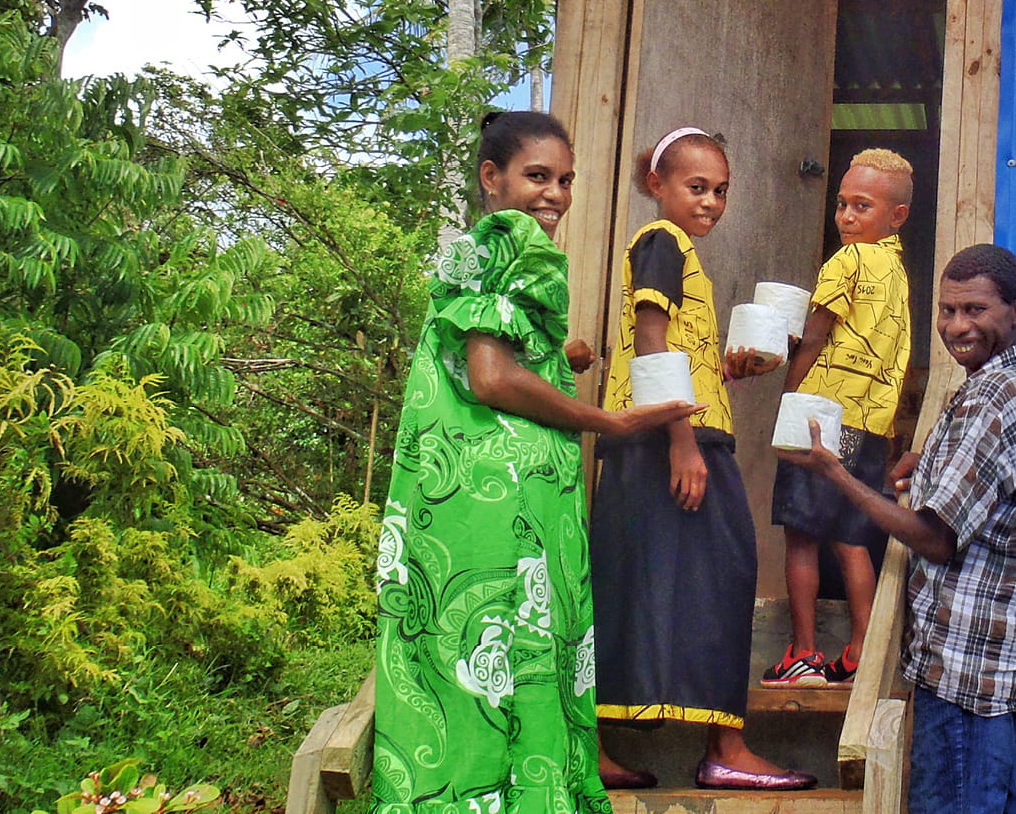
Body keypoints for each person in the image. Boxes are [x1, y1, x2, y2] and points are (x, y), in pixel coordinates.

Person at [371, 111, 703, 814]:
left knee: (457, 658)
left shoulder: (470, 248)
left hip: (453, 494)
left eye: (565, 179)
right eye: (537, 176)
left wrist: (561, 360)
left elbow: (475, 358)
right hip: (511, 503)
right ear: (491, 178)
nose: (554, 194)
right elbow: (492, 376)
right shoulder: (518, 242)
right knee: (517, 654)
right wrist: (603, 418)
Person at [775, 243, 1016, 814]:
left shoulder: (1000, 401)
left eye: (976, 310)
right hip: (980, 674)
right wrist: (924, 463)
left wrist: (836, 473)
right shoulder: (987, 391)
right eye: (948, 310)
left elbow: (936, 536)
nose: (958, 326)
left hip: (966, 674)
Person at [591, 126, 816, 791]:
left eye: (721, 190)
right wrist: (683, 439)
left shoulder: (679, 252)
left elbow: (675, 347)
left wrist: (727, 369)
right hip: (669, 439)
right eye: (697, 186)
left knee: (641, 580)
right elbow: (651, 339)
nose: (712, 200)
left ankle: (613, 742)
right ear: (657, 186)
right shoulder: (662, 241)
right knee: (722, 570)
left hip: (666, 433)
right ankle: (725, 747)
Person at [761, 148, 914, 689]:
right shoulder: (897, 274)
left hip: (820, 415)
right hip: (869, 426)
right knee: (852, 537)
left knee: (803, 535)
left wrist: (789, 396)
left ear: (896, 216)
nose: (847, 217)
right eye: (842, 204)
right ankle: (860, 652)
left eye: (862, 206)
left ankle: (803, 653)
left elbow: (816, 336)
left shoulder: (845, 262)